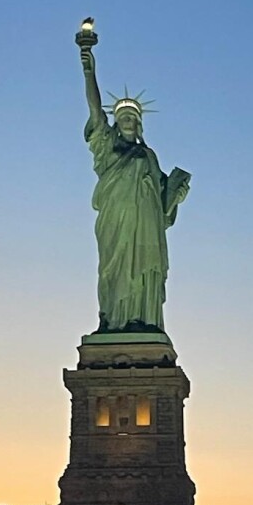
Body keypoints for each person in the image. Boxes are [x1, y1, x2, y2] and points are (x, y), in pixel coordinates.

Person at [79, 39, 190, 332]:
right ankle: (113, 322)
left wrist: (176, 195)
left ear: (139, 124)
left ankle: (144, 320)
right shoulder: (107, 148)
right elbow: (94, 110)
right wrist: (87, 64)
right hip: (116, 221)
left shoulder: (149, 156)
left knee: (144, 270)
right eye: (123, 116)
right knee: (114, 270)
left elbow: (163, 205)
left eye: (133, 117)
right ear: (116, 122)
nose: (128, 120)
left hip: (146, 226)